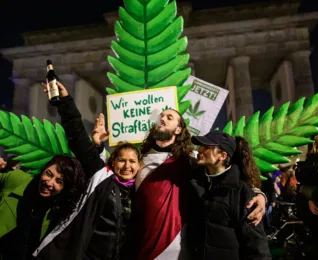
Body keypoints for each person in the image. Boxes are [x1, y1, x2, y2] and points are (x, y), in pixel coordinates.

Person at [124, 111, 267, 259]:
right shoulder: (137, 159)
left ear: (178, 130)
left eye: (169, 117)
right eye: (161, 116)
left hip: (177, 246)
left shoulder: (190, 161)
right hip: (142, 240)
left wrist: (258, 194)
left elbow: (228, 179)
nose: (162, 119)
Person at [33, 82, 141, 260]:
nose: (127, 166)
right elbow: (78, 137)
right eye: (121, 160)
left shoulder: (138, 190)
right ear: (113, 162)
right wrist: (65, 102)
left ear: (139, 165)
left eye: (132, 161)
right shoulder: (101, 176)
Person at [187, 132, 271, 259]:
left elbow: (256, 244)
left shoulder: (241, 191)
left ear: (222, 155)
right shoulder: (195, 180)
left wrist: (260, 195)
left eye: (206, 147)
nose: (199, 150)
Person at [0, 154, 86, 260]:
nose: (49, 183)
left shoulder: (59, 215)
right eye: (49, 174)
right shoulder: (17, 180)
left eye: (59, 181)